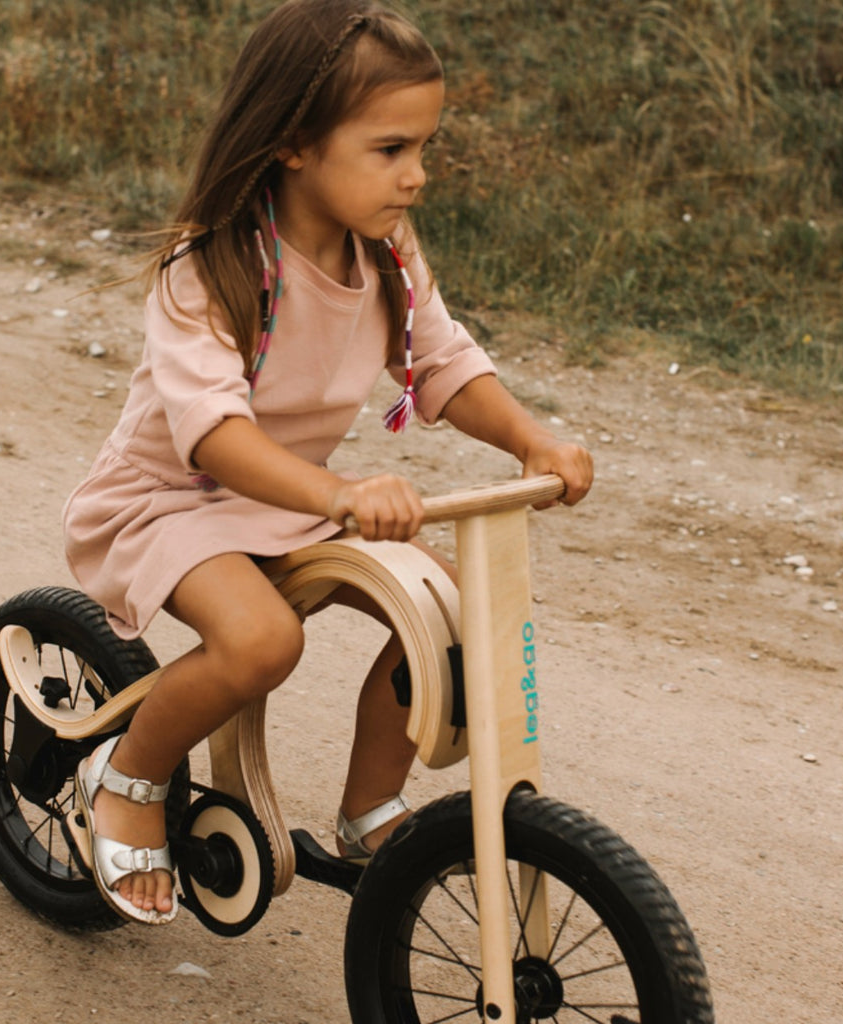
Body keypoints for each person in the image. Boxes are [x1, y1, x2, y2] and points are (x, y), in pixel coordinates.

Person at [63, 0, 593, 926]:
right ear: (295, 141)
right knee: (263, 641)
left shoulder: (383, 254)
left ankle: (368, 811)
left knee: (452, 615)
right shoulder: (213, 263)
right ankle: (129, 773)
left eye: (424, 148)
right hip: (170, 501)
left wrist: (531, 439)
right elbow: (215, 434)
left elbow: (442, 362)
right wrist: (343, 494)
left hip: (288, 500)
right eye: (391, 149)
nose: (417, 176)